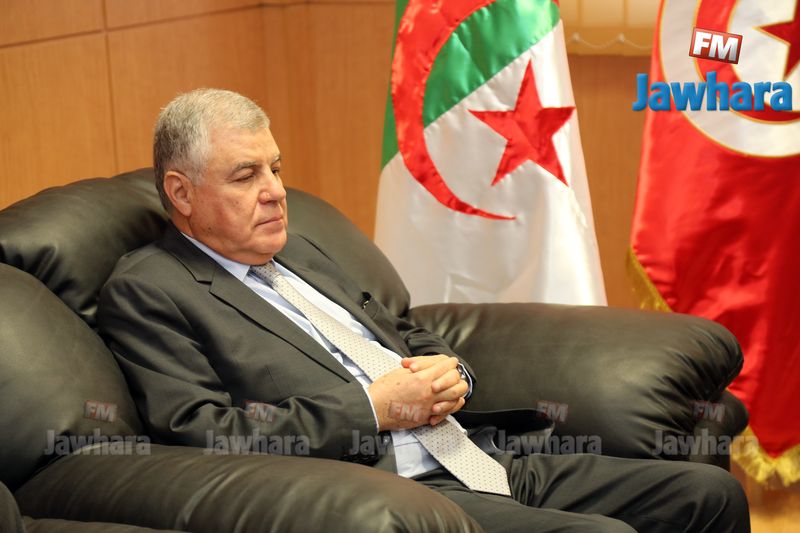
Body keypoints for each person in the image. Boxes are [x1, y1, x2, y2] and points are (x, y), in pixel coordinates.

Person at [98, 88, 749, 532]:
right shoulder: (151, 290)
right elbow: (203, 433)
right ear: (181, 193)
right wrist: (372, 408)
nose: (275, 192)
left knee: (707, 493)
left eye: (275, 168)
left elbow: (404, 330)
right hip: (393, 492)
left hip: (478, 454)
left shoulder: (298, 248)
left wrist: (450, 372)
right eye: (246, 176)